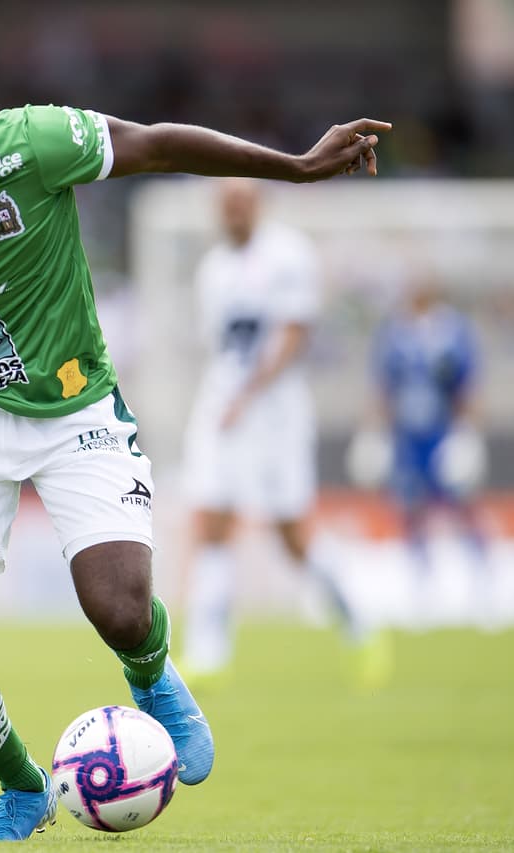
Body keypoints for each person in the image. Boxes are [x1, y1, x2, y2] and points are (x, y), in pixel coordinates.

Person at [0, 69, 389, 841]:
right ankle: (24, 787)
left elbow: (154, 144)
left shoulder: (30, 143)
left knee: (119, 609)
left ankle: (155, 677)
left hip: (74, 405)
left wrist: (293, 165)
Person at [177, 179, 387, 687]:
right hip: (222, 406)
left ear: (259, 205)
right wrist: (230, 399)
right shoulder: (213, 269)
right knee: (209, 519)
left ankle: (357, 618)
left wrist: (248, 396)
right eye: (225, 204)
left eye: (242, 202)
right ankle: (209, 649)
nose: (233, 212)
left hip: (275, 413)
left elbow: (294, 334)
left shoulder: (288, 254)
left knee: (292, 534)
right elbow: (222, 348)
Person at [369, 278, 488, 595]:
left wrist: (466, 433)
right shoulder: (394, 331)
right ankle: (422, 579)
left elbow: (469, 386)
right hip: (408, 435)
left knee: (461, 503)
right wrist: (374, 432)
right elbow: (383, 386)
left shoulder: (454, 331)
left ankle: (481, 574)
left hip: (443, 430)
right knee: (410, 506)